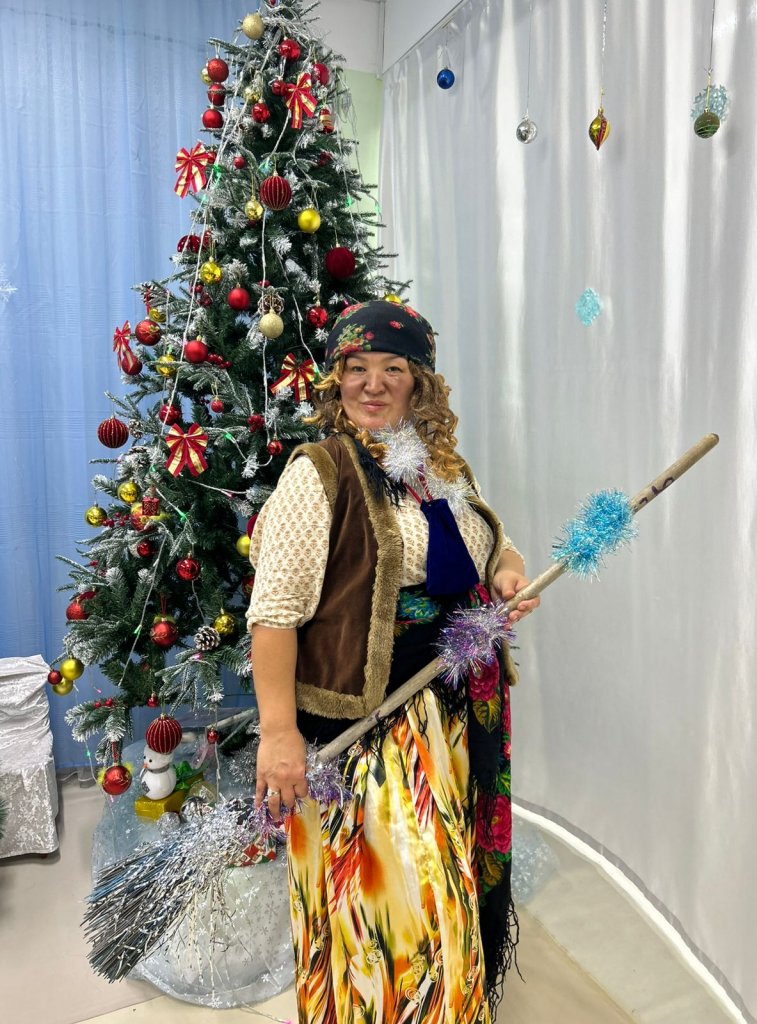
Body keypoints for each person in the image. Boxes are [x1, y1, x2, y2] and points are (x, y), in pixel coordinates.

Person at [246, 299, 540, 1024]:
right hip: (365, 731)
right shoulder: (318, 474)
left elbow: (489, 543)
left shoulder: (440, 467)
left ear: (420, 383)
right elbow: (273, 615)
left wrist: (505, 571)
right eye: (356, 368)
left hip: (449, 718)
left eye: (393, 369)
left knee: (443, 897)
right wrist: (278, 733)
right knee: (394, 917)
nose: (372, 384)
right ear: (336, 379)